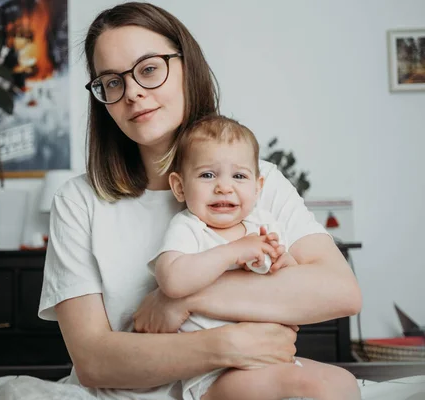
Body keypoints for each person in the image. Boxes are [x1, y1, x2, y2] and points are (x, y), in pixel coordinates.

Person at [38, 2, 362, 399]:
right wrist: (227, 344)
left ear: (186, 67)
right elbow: (93, 361)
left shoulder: (256, 180)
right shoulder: (78, 201)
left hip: (243, 383)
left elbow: (340, 291)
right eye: (112, 81)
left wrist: (184, 298)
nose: (134, 92)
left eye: (150, 69)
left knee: (338, 386)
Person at [149, 114, 360, 399]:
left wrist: (285, 263)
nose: (224, 186)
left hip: (273, 357)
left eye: (239, 176)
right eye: (207, 175)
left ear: (258, 187)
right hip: (215, 373)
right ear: (180, 186)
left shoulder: (263, 224)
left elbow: (294, 286)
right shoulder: (189, 227)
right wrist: (234, 251)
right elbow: (172, 280)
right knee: (310, 386)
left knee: (340, 382)